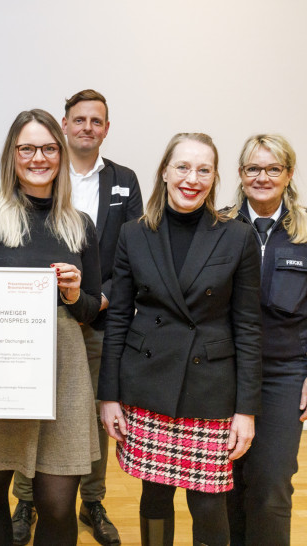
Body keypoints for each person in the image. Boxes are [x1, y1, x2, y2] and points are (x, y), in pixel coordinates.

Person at [0, 108, 102, 546]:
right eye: (27, 148)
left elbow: (92, 310)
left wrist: (73, 295)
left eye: (49, 148)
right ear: (12, 155)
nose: (38, 158)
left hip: (63, 372)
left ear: (61, 154)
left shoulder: (80, 225)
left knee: (56, 503)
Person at [98, 133, 262, 546]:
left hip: (209, 388)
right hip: (148, 384)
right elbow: (117, 318)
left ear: (214, 177)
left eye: (204, 169)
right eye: (183, 167)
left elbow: (247, 327)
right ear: (166, 172)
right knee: (154, 497)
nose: (193, 178)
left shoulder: (237, 236)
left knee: (208, 503)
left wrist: (246, 410)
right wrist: (109, 396)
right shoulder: (134, 234)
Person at [10, 89, 141, 546]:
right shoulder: (45, 172)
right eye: (79, 119)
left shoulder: (125, 181)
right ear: (64, 125)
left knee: (93, 418)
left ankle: (94, 500)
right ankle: (25, 498)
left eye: (97, 121)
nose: (87, 127)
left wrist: (97, 300)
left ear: (106, 128)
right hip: (39, 327)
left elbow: (131, 254)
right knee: (30, 411)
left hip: (98, 320)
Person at [226, 134, 307, 546]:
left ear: (288, 174)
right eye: (253, 168)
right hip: (225, 372)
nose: (263, 177)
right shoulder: (217, 226)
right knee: (225, 487)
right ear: (240, 175)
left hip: (283, 373)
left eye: (273, 168)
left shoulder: (306, 231)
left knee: (271, 484)